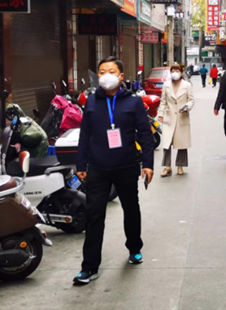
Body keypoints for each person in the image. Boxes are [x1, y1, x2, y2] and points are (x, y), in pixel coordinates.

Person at [73, 57, 155, 285]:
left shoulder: (134, 102)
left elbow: (145, 135)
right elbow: (84, 135)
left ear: (121, 76)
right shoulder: (91, 102)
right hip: (98, 168)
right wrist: (81, 164)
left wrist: (148, 164)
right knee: (94, 216)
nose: (105, 75)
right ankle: (89, 267)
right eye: (101, 72)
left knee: (131, 209)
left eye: (110, 71)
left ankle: (134, 248)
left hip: (126, 166)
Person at [157, 64, 195, 176]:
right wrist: (161, 114)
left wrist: (187, 107)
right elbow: (163, 101)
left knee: (182, 143)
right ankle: (167, 167)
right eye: (173, 71)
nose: (175, 73)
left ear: (181, 73)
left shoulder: (187, 85)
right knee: (166, 143)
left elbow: (191, 100)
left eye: (177, 70)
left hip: (182, 116)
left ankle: (180, 166)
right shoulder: (166, 85)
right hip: (169, 117)